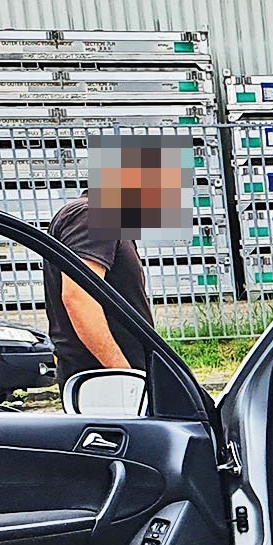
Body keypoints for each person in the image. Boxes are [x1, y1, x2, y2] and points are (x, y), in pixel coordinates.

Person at [44, 138, 191, 384]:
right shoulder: (93, 215)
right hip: (105, 378)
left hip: (106, 375)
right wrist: (123, 373)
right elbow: (79, 298)